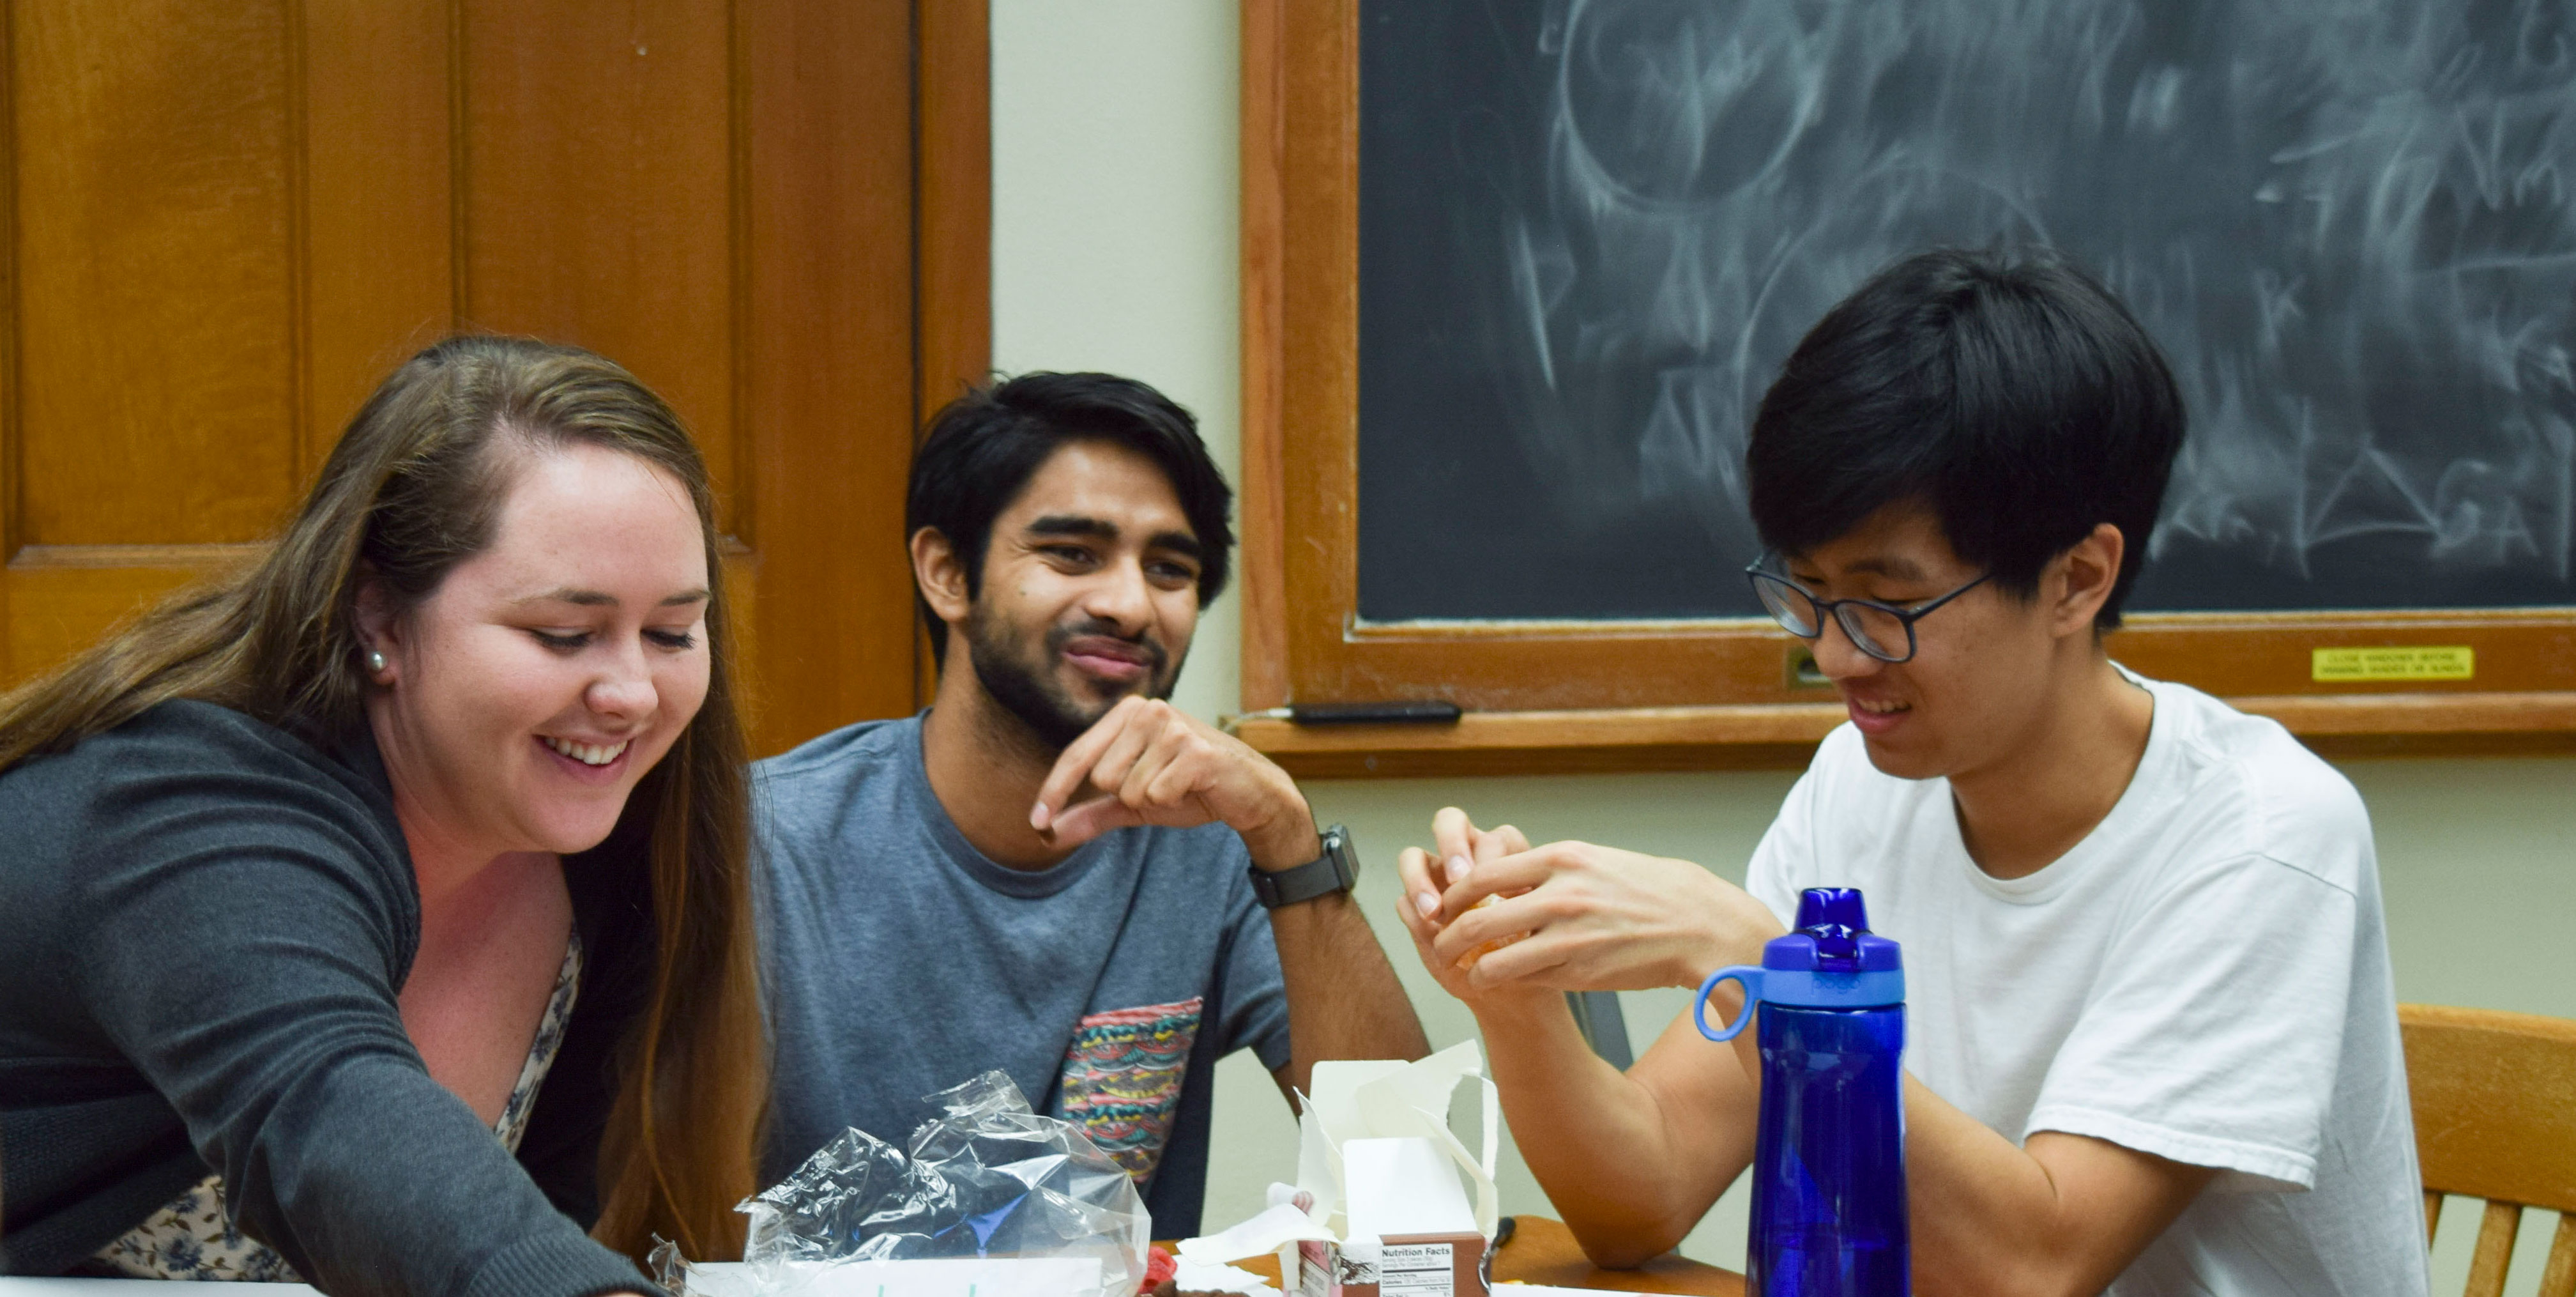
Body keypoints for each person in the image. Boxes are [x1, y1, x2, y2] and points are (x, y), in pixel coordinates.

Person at [1394, 249, 2427, 1295]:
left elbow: (2037, 1265)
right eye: (1806, 594)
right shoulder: (1861, 783)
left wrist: (1756, 954)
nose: (1836, 655)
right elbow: (1644, 1194)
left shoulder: (2262, 834)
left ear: (2075, 578)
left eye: (1886, 603)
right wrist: (1512, 990)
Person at [0, 337, 766, 1294]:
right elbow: (326, 1101)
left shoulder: (609, 844)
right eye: (564, 633)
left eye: (670, 632)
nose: (630, 693)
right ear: (380, 620)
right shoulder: (186, 808)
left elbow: (531, 1214)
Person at [755, 371, 1428, 1237]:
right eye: (1073, 553)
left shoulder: (1212, 845)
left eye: (1169, 568)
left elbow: (1403, 1179)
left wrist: (1287, 834)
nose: (1128, 603)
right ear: (948, 572)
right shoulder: (768, 841)